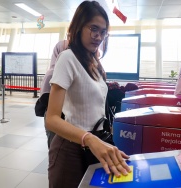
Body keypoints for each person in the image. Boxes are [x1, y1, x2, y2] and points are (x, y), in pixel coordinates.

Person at [45, 1, 131, 187]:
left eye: (103, 32)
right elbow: (51, 118)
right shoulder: (67, 58)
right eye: (93, 29)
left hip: (96, 144)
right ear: (78, 26)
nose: (98, 36)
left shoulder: (94, 62)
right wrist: (89, 138)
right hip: (71, 149)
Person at [39, 39, 68, 149]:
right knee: (55, 147)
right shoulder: (53, 73)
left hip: (64, 117)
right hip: (58, 117)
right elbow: (47, 100)